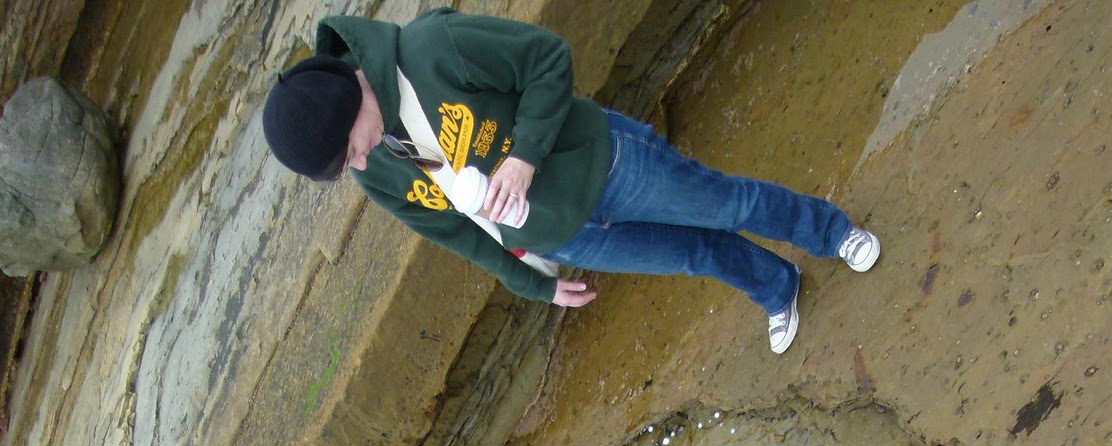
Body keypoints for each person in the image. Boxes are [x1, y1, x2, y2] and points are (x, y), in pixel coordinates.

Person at [262, 9, 880, 355]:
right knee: (692, 255)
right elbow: (457, 232)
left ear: (347, 102)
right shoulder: (377, 175)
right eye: (346, 169)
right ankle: (777, 287)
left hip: (603, 162)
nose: (361, 166)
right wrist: (536, 283)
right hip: (568, 235)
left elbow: (548, 60)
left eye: (349, 150)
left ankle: (832, 233)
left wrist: (523, 157)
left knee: (726, 203)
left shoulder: (432, 48)